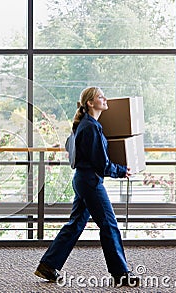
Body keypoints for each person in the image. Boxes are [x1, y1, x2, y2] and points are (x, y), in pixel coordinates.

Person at [34, 86, 140, 287]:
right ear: (90, 103)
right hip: (90, 182)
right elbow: (101, 163)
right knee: (108, 224)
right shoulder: (91, 127)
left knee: (75, 224)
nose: (105, 98)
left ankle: (48, 265)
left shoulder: (84, 124)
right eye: (101, 97)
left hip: (83, 179)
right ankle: (121, 273)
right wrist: (121, 170)